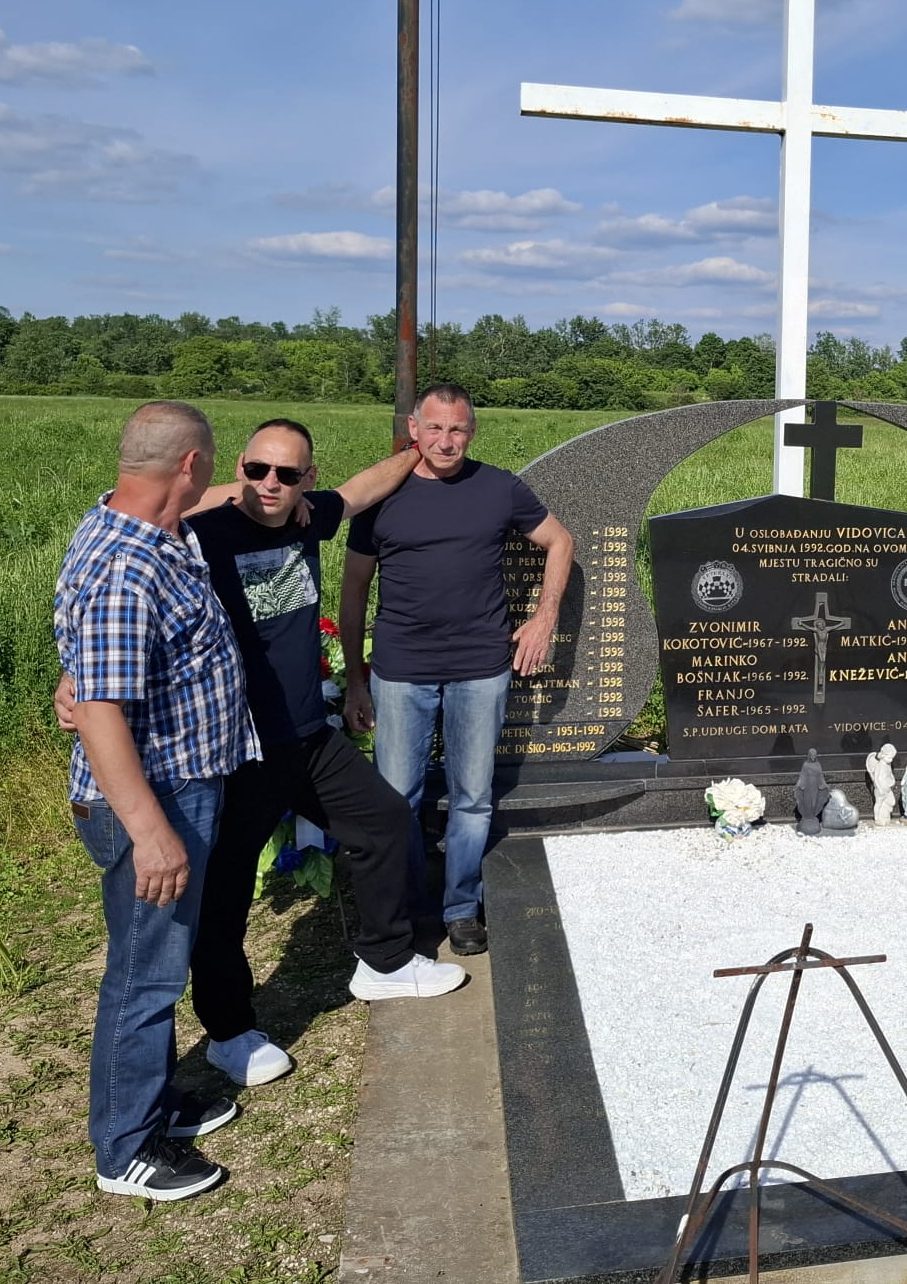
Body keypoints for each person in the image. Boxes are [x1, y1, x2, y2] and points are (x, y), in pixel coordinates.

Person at [59, 420, 471, 1090]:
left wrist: (419, 450)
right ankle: (228, 1032)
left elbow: (361, 491)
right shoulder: (199, 534)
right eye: (257, 471)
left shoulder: (310, 517)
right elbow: (136, 535)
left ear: (309, 478)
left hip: (307, 735)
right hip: (238, 748)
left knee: (386, 821)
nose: (271, 485)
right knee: (223, 898)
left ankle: (385, 962)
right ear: (236, 469)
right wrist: (73, 671)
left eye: (288, 474)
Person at [54, 401, 256, 1202]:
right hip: (154, 798)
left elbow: (97, 664)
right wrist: (151, 833)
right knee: (144, 976)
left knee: (158, 963)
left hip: (180, 786)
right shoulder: (128, 567)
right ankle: (126, 1149)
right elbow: (101, 709)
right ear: (191, 465)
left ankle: (155, 1101)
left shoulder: (150, 527)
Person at [341, 384, 575, 956]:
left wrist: (543, 618)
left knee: (472, 797)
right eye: (435, 428)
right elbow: (354, 588)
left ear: (472, 432)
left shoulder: (498, 487)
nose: (446, 442)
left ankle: (461, 907)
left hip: (480, 667)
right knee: (398, 798)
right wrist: (355, 680)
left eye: (458, 430)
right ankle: (407, 908)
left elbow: (559, 540)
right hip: (401, 668)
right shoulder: (381, 497)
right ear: (414, 429)